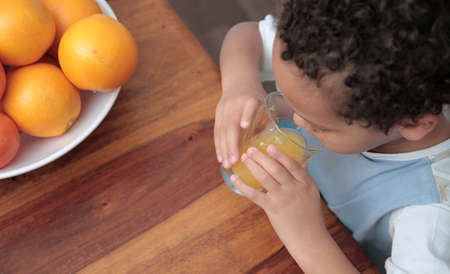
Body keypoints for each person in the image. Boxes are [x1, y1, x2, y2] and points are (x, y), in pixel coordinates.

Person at [214, 0, 450, 273]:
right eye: (291, 102)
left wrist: (305, 235)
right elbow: (247, 35)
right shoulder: (327, 50)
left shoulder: (432, 218)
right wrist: (240, 85)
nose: (295, 118)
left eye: (320, 126)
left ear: (413, 123)